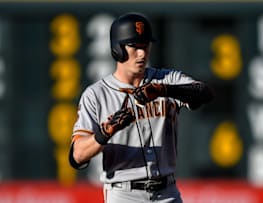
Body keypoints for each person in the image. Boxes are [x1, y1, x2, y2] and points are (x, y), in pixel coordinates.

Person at [68, 12, 213, 203]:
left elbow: (204, 93)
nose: (142, 53)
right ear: (117, 50)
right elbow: (76, 156)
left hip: (166, 192)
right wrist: (104, 134)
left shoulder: (165, 79)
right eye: (134, 46)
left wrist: (163, 90)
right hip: (124, 193)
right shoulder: (97, 94)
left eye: (145, 46)